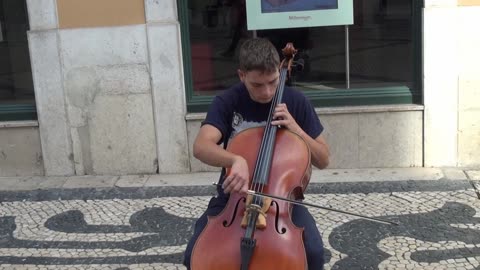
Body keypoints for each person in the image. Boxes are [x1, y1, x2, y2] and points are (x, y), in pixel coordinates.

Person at [183, 37, 330, 270]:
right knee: (194, 255)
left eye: (273, 82)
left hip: (283, 203)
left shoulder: (297, 101)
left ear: (279, 73)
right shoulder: (228, 101)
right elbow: (201, 146)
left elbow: (323, 159)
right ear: (242, 76)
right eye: (257, 85)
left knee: (313, 253)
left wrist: (296, 129)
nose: (268, 92)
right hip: (233, 199)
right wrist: (235, 159)